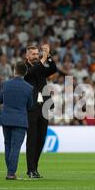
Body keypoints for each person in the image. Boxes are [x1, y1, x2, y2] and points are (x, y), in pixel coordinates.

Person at [24, 44, 57, 178]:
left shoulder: (40, 66)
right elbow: (30, 74)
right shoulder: (22, 67)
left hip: (44, 107)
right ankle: (30, 169)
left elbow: (53, 70)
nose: (36, 57)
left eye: (37, 54)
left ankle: (35, 168)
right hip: (31, 107)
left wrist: (48, 56)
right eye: (33, 54)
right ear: (27, 55)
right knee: (32, 139)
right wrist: (43, 60)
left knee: (41, 139)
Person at [0, 62, 33, 180]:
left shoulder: (5, 84)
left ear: (14, 70)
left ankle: (10, 171)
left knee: (7, 145)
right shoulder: (29, 88)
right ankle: (11, 173)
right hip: (20, 120)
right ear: (26, 72)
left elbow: (0, 100)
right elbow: (30, 105)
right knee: (15, 147)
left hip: (6, 119)